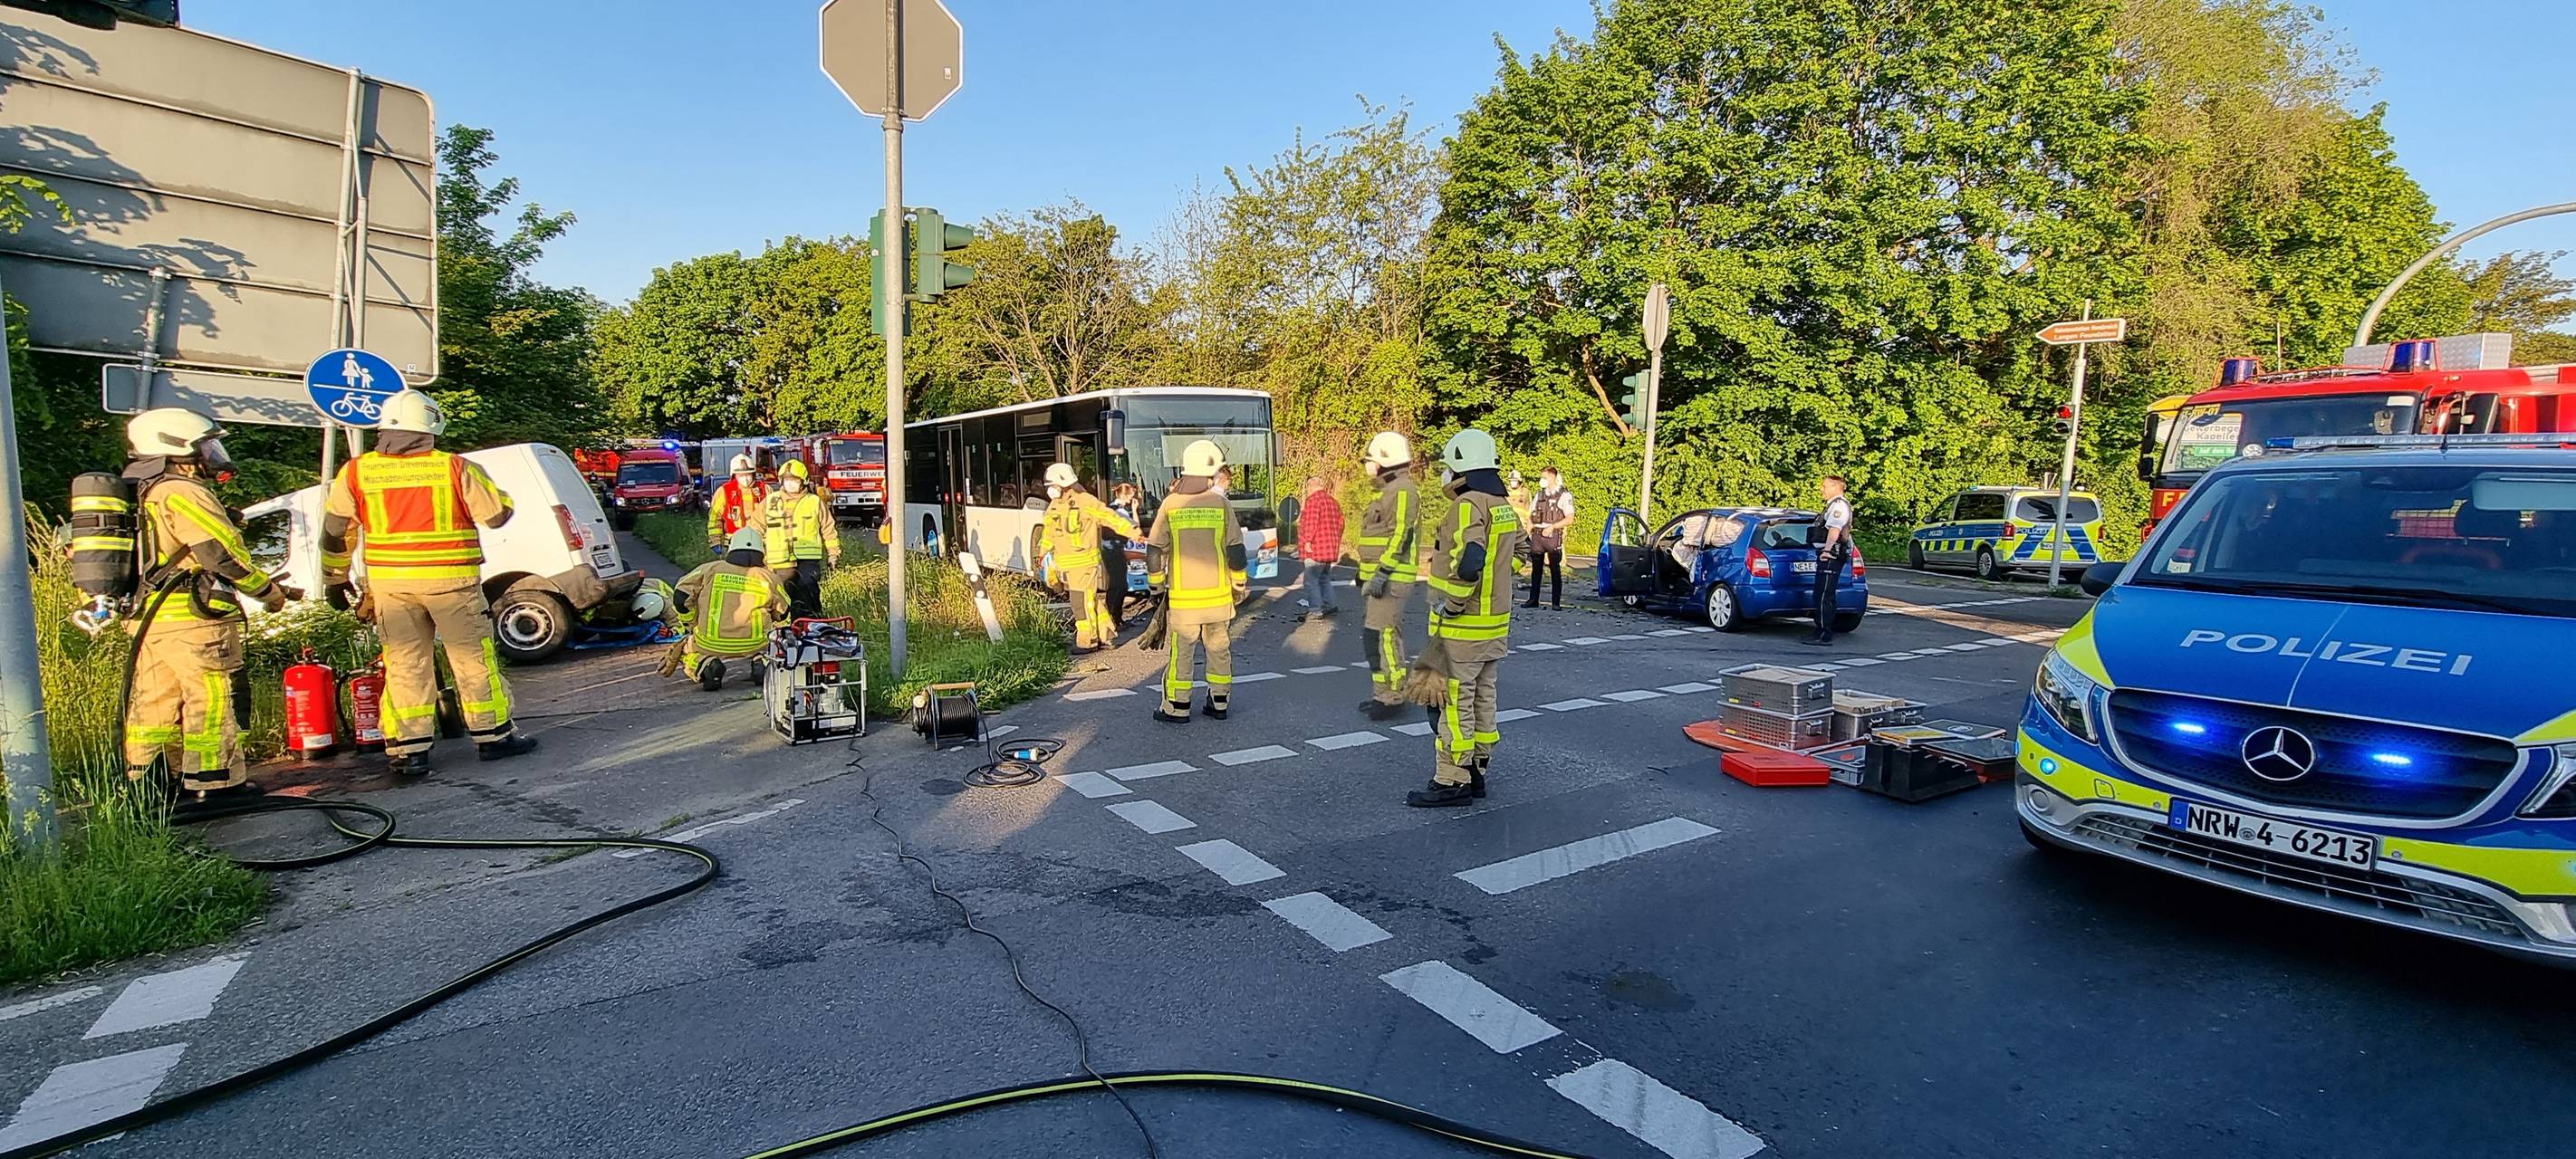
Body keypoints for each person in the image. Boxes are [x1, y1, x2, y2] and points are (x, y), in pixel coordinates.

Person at [321, 391, 536, 777]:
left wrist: (334, 579)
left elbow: (336, 532)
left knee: (404, 664)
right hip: (451, 583)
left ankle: (408, 750)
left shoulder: (356, 472)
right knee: (472, 660)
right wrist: (500, 494)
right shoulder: (453, 468)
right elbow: (496, 515)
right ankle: (493, 737)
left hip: (391, 587)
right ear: (431, 427)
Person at [118, 408, 300, 805]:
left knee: (153, 704)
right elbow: (221, 556)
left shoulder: (139, 490)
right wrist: (269, 593)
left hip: (148, 621)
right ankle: (215, 783)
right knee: (211, 698)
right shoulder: (181, 491)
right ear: (176, 447)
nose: (212, 454)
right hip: (195, 621)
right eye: (205, 446)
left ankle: (148, 786)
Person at [1408, 428, 1522, 808]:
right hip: (1494, 625)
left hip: (1463, 626)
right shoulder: (1501, 504)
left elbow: (1470, 561)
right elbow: (1522, 551)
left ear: (1459, 466)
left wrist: (1453, 605)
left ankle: (1451, 780)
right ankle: (1477, 771)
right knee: (1483, 698)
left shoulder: (1467, 504)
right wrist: (1500, 573)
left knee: (1454, 704)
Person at [1145, 439, 1245, 723]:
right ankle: (1220, 703)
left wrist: (1156, 587)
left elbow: (1155, 550)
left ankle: (1176, 707)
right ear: (1210, 471)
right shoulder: (1221, 504)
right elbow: (1235, 550)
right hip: (1218, 598)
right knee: (1219, 649)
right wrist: (1238, 584)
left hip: (1184, 600)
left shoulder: (1171, 505)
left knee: (1182, 654)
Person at [663, 528, 790, 690]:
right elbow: (783, 612)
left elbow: (681, 596)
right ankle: (762, 661)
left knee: (686, 651)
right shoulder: (769, 578)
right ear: (761, 552)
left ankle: (705, 666)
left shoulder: (710, 569)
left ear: (731, 548)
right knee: (772, 648)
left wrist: (691, 622)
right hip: (756, 642)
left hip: (709, 641)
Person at [1352, 431, 1420, 719]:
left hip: (1390, 580)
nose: (1369, 466)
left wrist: (1381, 572)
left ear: (1385, 461)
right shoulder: (1388, 490)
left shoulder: (1403, 489)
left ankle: (1393, 698)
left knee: (1385, 640)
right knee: (1374, 638)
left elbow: (1401, 533)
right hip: (1377, 580)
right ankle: (1382, 694)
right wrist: (1363, 573)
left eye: (1371, 460)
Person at [1038, 462, 1140, 653]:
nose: (1050, 490)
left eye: (1052, 486)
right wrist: (1043, 551)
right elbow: (1050, 532)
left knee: (1080, 602)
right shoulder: (1054, 506)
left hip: (1084, 561)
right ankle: (1107, 633)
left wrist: (1132, 531)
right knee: (1088, 598)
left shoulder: (1086, 501)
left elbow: (1108, 517)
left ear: (1065, 484)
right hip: (1067, 563)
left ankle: (1087, 641)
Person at [763, 458, 840, 618]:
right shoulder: (770, 501)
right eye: (787, 480)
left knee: (808, 591)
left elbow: (828, 529)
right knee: (783, 596)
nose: (790, 484)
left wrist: (833, 554)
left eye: (794, 480)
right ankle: (784, 628)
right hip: (779, 561)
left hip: (808, 559)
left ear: (803, 481)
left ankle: (810, 625)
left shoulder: (814, 502)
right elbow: (755, 528)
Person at [1802, 474, 1855, 647]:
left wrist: (1827, 550)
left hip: (1831, 555)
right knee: (1821, 593)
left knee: (1825, 594)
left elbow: (1835, 530)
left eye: (1824, 486)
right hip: (1828, 555)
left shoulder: (1839, 505)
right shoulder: (1832, 505)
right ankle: (1820, 629)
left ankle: (1825, 632)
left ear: (1835, 487)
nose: (1821, 489)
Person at [1523, 465, 1574, 610]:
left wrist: (1553, 527)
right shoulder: (1539, 495)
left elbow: (1570, 518)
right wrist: (1526, 534)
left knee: (1554, 569)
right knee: (1536, 569)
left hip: (1552, 535)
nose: (1542, 480)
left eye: (1544, 477)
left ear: (1552, 477)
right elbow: (1532, 517)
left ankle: (1556, 602)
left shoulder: (1564, 495)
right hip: (1537, 535)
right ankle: (1533, 600)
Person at [1294, 475, 1344, 620]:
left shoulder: (1313, 501)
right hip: (1330, 548)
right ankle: (1330, 605)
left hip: (1315, 548)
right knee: (1324, 578)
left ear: (1310, 487)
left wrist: (1307, 542)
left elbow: (1310, 524)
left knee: (1311, 580)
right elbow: (1341, 524)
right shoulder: (1333, 502)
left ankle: (1315, 610)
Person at [705, 454, 768, 554]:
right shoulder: (724, 491)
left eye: (748, 475)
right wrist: (715, 540)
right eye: (741, 475)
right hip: (733, 544)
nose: (746, 479)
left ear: (753, 474)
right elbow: (715, 518)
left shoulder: (765, 489)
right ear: (734, 475)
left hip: (761, 543)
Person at [1102, 482, 1141, 627]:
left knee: (1115, 583)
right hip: (1115, 549)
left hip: (1108, 548)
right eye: (1131, 496)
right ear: (1124, 495)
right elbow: (1135, 527)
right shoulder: (1121, 512)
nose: (1132, 500)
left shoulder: (1110, 508)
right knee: (1120, 584)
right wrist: (1135, 510)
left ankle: (1114, 617)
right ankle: (1115, 617)